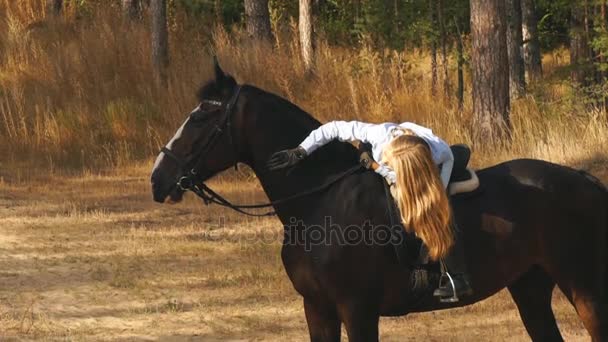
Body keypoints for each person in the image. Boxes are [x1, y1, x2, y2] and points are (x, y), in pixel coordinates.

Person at [266, 121, 473, 300]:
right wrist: (301, 150)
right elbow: (333, 128)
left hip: (429, 166)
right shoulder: (378, 135)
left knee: (436, 210)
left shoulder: (440, 151)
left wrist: (439, 191)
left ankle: (458, 276)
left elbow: (446, 161)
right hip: (393, 152)